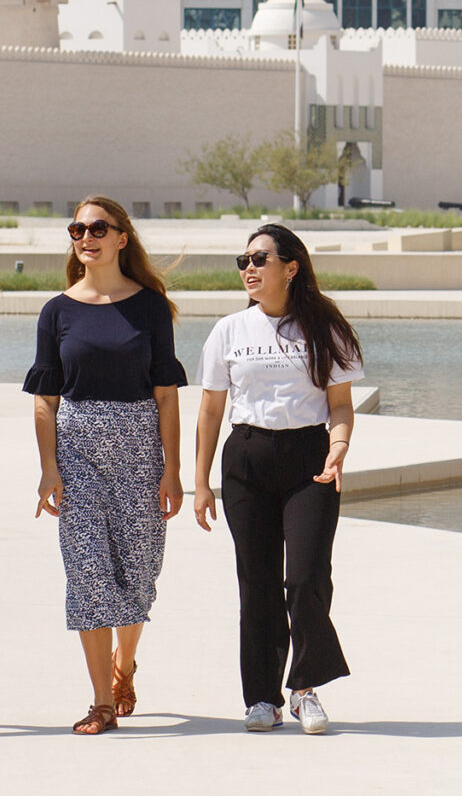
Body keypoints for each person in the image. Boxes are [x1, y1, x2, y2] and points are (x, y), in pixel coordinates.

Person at [192, 222, 362, 735]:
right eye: (243, 261)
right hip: (246, 459)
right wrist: (199, 482)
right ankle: (261, 697)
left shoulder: (324, 328)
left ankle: (305, 688)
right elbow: (210, 411)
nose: (248, 269)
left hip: (310, 459)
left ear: (291, 267)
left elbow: (340, 407)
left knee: (306, 577)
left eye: (259, 259)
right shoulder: (229, 330)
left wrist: (337, 452)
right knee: (257, 583)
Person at [27, 196, 185, 735]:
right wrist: (49, 468)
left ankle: (124, 664)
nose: (86, 236)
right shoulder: (57, 312)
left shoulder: (150, 307)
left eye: (99, 227)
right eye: (78, 228)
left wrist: (173, 469)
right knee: (88, 576)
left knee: (138, 575)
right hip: (77, 453)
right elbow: (45, 400)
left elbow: (167, 395)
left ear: (122, 237)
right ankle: (100, 701)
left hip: (141, 451)